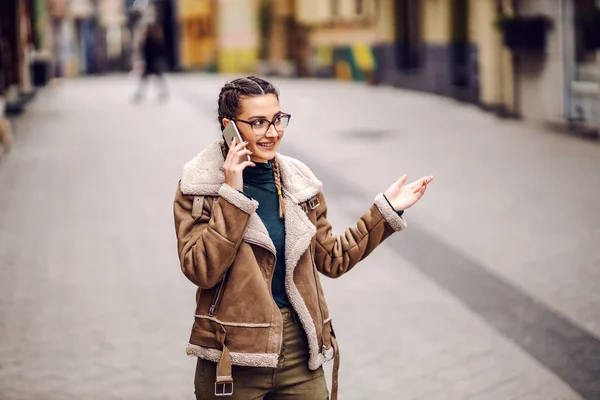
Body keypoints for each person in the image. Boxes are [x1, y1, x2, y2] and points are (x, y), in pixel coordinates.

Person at [173, 76, 433, 399]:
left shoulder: (299, 183)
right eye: (258, 123)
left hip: (299, 350)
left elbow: (332, 257)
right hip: (232, 356)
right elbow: (200, 268)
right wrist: (232, 194)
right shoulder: (200, 188)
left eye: (278, 119)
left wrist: (385, 211)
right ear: (230, 126)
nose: (273, 132)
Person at [133, 22, 168, 101]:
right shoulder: (152, 39)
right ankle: (140, 94)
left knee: (149, 80)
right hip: (151, 63)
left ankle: (140, 94)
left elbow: (147, 51)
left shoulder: (150, 39)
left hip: (151, 63)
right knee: (153, 79)